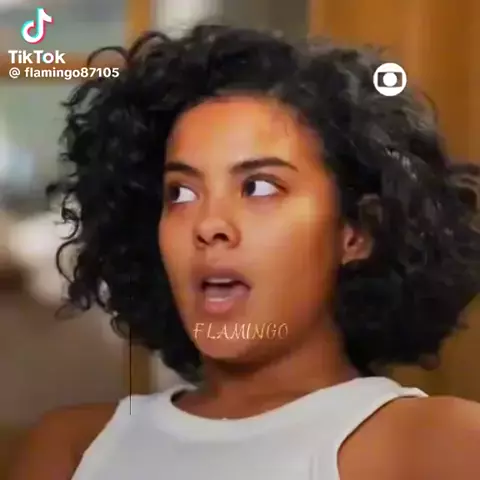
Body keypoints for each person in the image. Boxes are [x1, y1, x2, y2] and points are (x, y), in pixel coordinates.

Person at [9, 24, 480, 480]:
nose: (208, 224)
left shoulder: (441, 445)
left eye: (259, 187)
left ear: (356, 233)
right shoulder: (73, 449)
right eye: (181, 192)